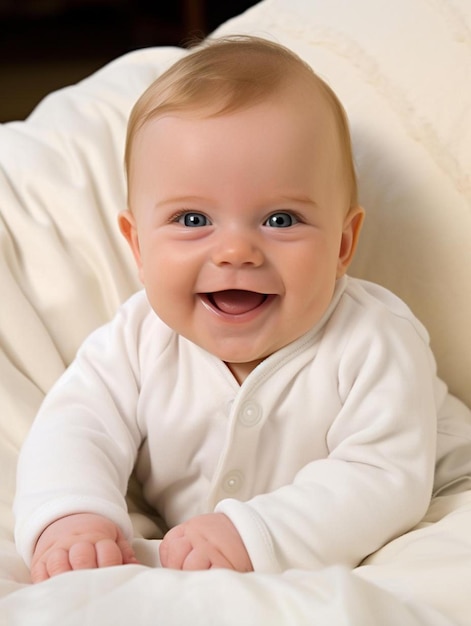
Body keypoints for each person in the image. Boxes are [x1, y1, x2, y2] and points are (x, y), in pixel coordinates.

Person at [14, 35, 445, 583]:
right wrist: (72, 518)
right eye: (192, 220)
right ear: (138, 247)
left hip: (406, 522)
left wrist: (253, 533)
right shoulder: (137, 339)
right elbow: (76, 428)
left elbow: (383, 479)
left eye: (281, 219)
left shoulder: (375, 339)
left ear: (342, 244)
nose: (236, 250)